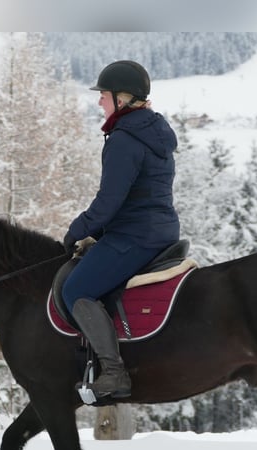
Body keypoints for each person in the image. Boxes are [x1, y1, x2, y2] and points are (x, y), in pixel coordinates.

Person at [62, 60, 180, 400]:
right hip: (160, 230)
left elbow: (109, 201)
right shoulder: (154, 129)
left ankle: (114, 372)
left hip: (135, 236)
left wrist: (76, 230)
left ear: (123, 98)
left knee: (76, 290)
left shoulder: (125, 138)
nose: (100, 102)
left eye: (104, 95)